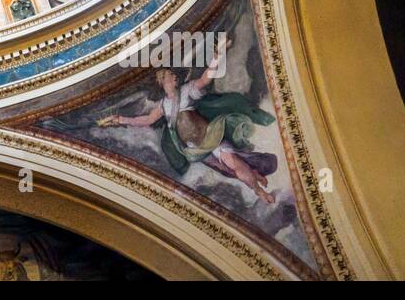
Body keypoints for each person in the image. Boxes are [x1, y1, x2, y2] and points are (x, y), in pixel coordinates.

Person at [99, 43, 278, 204]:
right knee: (228, 169)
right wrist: (121, 120)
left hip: (210, 137)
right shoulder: (163, 105)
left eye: (173, 75)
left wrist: (216, 59)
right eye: (170, 75)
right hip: (194, 149)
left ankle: (259, 191)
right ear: (163, 81)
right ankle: (253, 175)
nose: (175, 78)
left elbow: (205, 79)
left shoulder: (186, 90)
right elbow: (146, 120)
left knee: (233, 163)